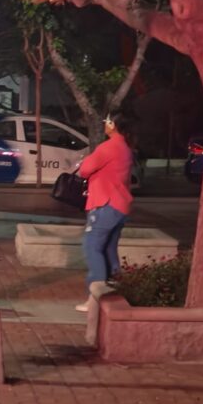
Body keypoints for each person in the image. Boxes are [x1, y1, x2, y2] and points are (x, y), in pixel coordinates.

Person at [75, 111, 135, 312]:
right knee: (109, 250)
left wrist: (87, 160)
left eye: (108, 121)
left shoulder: (109, 147)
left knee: (92, 247)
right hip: (120, 206)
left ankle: (96, 297)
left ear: (114, 125)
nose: (105, 123)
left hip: (105, 204)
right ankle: (116, 294)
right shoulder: (125, 148)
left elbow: (85, 169)